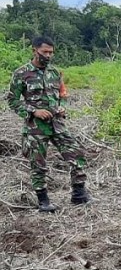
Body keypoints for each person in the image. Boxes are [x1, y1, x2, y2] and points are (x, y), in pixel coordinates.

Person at [6, 36, 90, 212]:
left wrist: (62, 108)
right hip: (35, 128)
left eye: (51, 52)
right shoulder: (21, 73)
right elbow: (12, 100)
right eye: (45, 52)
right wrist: (33, 111)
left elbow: (63, 96)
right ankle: (43, 200)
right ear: (34, 50)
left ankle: (79, 194)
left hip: (57, 125)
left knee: (77, 154)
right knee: (38, 164)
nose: (49, 55)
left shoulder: (55, 72)